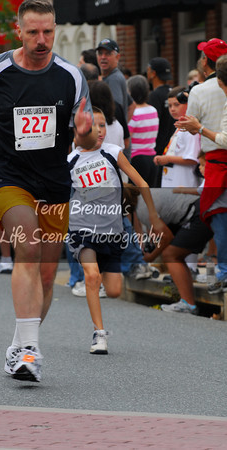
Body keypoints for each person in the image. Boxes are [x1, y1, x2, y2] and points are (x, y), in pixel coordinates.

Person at [0, 0, 97, 383]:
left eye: (48, 31)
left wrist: (83, 133)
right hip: (6, 177)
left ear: (55, 29)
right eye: (33, 32)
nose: (42, 40)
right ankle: (30, 353)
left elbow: (90, 133)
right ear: (19, 31)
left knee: (47, 278)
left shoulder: (72, 77)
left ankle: (19, 346)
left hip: (53, 181)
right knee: (26, 244)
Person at [68, 107, 168, 354]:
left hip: (112, 231)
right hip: (82, 228)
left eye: (102, 125)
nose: (99, 131)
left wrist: (153, 218)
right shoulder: (71, 159)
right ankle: (99, 334)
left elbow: (141, 182)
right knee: (92, 276)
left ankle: (96, 284)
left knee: (113, 290)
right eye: (93, 126)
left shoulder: (113, 153)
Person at [175, 50, 227, 295]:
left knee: (219, 217)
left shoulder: (201, 90)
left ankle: (223, 274)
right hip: (214, 161)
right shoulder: (215, 90)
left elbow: (193, 127)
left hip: (217, 162)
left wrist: (196, 127)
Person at [124, 183, 213, 314]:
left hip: (197, 214)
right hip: (198, 209)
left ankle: (188, 304)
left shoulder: (143, 210)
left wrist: (152, 256)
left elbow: (167, 237)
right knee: (175, 254)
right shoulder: (144, 198)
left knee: (170, 255)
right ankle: (188, 302)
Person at [153, 86, 200, 189]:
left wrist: (167, 158)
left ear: (188, 104)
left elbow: (192, 159)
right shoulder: (180, 126)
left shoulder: (191, 129)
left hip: (184, 183)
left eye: (176, 104)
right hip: (171, 182)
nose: (172, 109)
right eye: (169, 106)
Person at [147, 57, 176, 186]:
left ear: (153, 73)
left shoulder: (154, 96)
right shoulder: (173, 92)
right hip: (173, 149)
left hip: (159, 150)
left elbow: (153, 122)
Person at [127, 74, 159, 187]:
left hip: (137, 159)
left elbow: (127, 138)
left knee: (134, 195)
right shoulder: (153, 110)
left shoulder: (133, 113)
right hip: (152, 157)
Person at [96, 38, 135, 124]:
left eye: (108, 54)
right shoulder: (112, 76)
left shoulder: (114, 79)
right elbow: (132, 105)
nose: (103, 57)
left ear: (117, 57)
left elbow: (116, 109)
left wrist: (119, 128)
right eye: (100, 53)